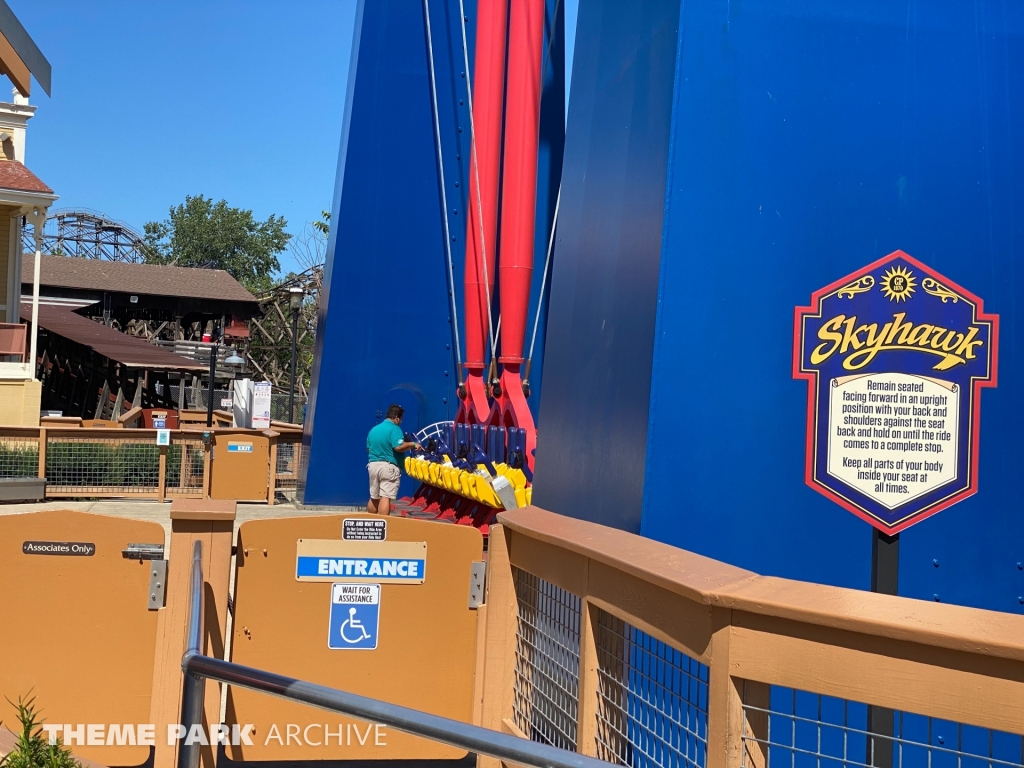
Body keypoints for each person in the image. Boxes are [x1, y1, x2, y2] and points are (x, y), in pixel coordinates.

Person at [366, 404, 420, 515]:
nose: (401, 422)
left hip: (373, 465)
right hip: (388, 467)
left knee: (374, 497)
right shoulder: (395, 429)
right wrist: (413, 444)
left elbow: (368, 449)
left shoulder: (373, 430)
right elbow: (398, 447)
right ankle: (383, 525)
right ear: (396, 418)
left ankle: (371, 524)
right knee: (385, 497)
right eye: (401, 419)